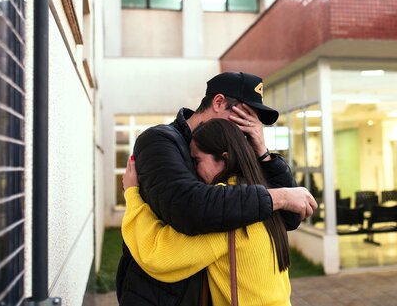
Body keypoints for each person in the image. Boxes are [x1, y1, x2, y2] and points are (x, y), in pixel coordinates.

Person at [116, 71, 317, 306]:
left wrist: (262, 152)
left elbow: (291, 217)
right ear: (219, 102)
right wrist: (280, 197)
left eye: (255, 122)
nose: (248, 128)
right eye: (244, 116)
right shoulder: (160, 141)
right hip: (163, 297)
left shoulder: (234, 163)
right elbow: (189, 208)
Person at [122, 119, 293, 305]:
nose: (192, 170)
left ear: (224, 159)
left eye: (197, 160)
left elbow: (157, 255)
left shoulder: (231, 211)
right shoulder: (263, 195)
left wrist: (132, 195)